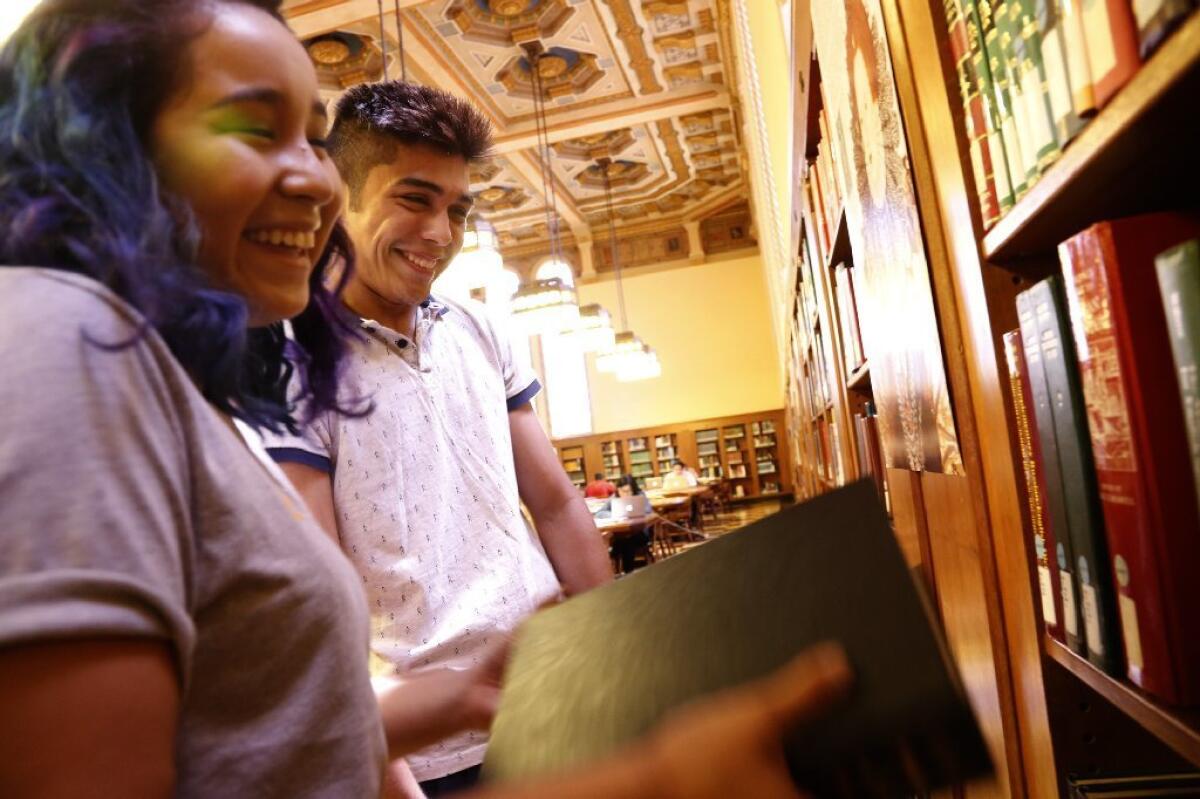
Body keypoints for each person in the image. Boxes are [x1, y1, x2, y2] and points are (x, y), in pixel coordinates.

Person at [0, 2, 857, 797]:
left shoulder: (167, 382)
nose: (316, 181)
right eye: (256, 129)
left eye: (312, 138)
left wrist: (449, 699)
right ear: (103, 145)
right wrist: (656, 778)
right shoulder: (62, 341)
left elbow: (251, 736)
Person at [261, 79, 613, 794]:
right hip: (428, 753)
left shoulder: (481, 328)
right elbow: (317, 607)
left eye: (457, 208)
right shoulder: (287, 360)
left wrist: (618, 651)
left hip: (554, 697)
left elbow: (555, 504)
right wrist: (391, 775)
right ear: (339, 195)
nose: (442, 234)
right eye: (414, 199)